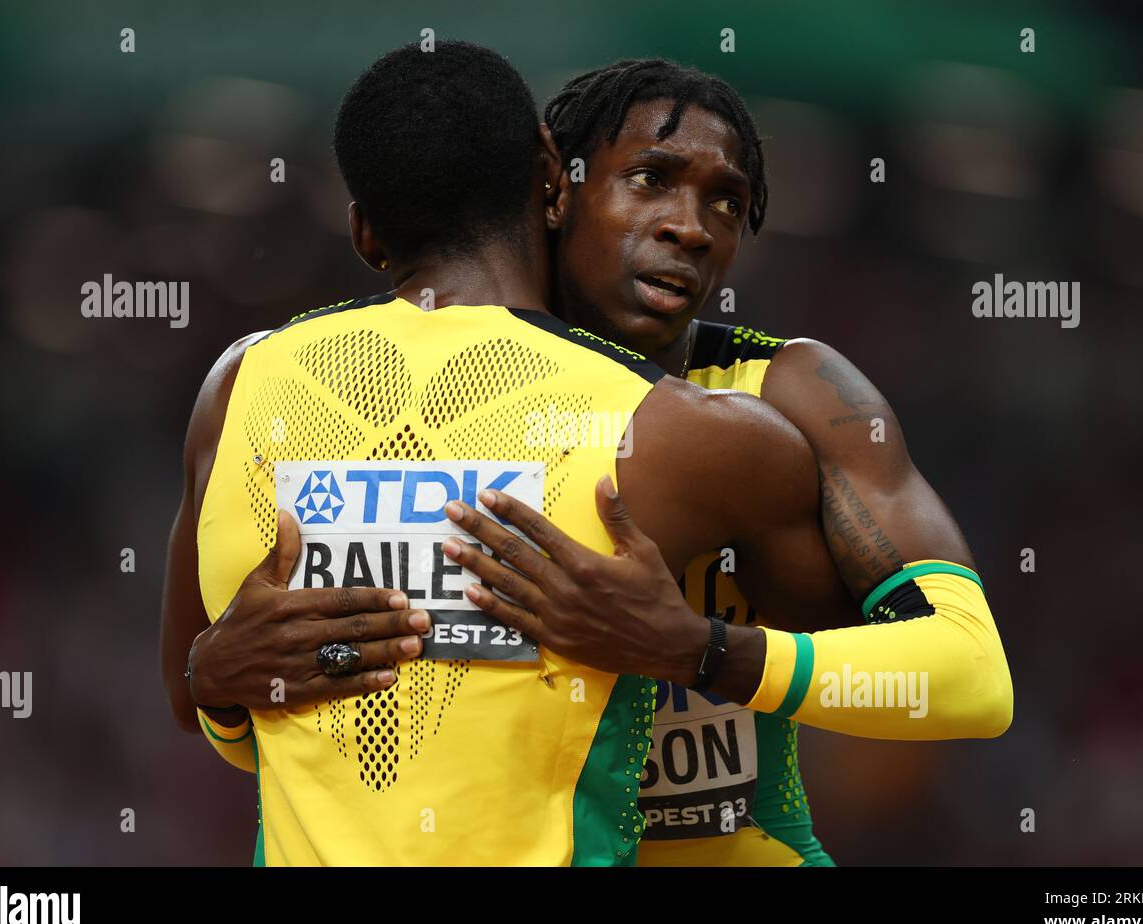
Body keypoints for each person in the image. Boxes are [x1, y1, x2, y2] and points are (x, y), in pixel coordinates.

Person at [159, 41, 868, 866]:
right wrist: (697, 649)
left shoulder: (238, 386)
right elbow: (876, 683)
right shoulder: (686, 430)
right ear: (549, 175)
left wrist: (217, 683)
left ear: (362, 231)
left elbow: (207, 701)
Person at [437, 59, 1015, 866]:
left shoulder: (795, 394)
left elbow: (973, 675)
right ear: (555, 189)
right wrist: (223, 694)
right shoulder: (436, 392)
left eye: (727, 201)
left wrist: (695, 649)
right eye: (650, 179)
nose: (693, 226)